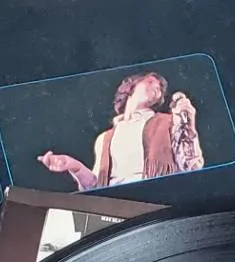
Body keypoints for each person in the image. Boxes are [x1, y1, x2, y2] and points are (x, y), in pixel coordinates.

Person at [38, 71, 203, 190]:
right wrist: (74, 166)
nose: (157, 87)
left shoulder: (169, 122)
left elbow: (191, 167)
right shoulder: (104, 138)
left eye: (160, 88)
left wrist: (186, 122)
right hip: (117, 203)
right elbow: (95, 186)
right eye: (151, 82)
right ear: (131, 87)